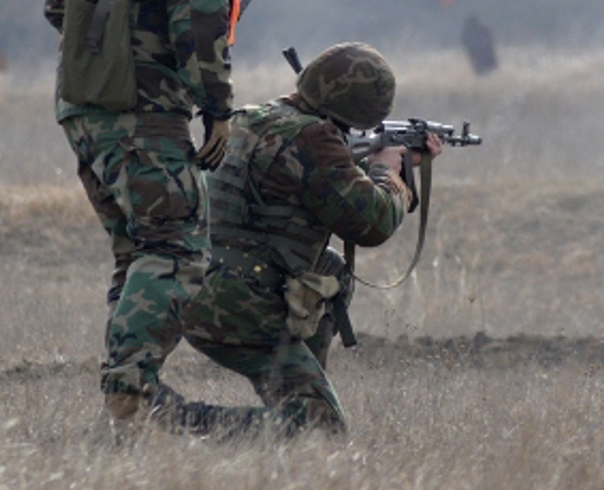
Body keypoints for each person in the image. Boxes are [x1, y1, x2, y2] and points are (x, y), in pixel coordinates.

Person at [24, 0, 290, 432]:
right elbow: (198, 10)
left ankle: (131, 404)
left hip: (86, 97)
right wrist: (216, 104)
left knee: (138, 250)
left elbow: (69, 2)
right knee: (176, 246)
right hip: (145, 104)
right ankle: (131, 395)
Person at [151, 42, 443, 437]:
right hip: (241, 308)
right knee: (318, 434)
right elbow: (371, 223)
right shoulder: (315, 139)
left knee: (330, 268)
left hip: (195, 289)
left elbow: (302, 181)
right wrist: (390, 174)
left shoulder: (255, 117)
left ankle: (299, 392)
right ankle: (175, 421)